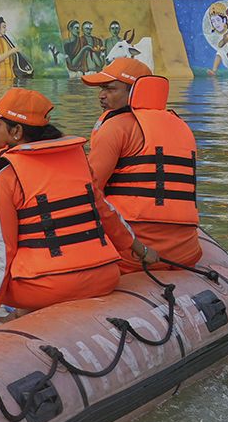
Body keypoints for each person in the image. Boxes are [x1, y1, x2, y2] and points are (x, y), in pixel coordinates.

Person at [0, 88, 155, 335]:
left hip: (52, 285)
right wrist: (142, 250)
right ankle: (17, 318)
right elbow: (106, 212)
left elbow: (1, 253)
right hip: (103, 277)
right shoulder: (77, 159)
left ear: (16, 132)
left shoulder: (6, 174)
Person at [83, 59, 202, 273]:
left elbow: (88, 194)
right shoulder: (182, 126)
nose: (101, 95)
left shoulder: (115, 128)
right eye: (102, 89)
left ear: (134, 91)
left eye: (110, 89)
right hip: (186, 253)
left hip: (132, 255)